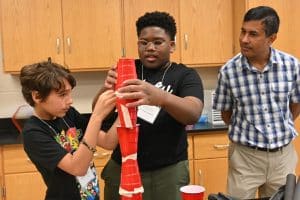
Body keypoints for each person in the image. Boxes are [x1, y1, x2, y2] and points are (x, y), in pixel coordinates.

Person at [94, 11, 204, 200]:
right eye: (143, 43)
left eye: (158, 42)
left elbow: (192, 113)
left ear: (171, 46)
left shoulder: (184, 75)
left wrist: (161, 97)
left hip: (169, 170)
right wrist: (106, 88)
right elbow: (99, 112)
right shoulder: (127, 70)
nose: (150, 48)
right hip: (123, 166)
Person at [213, 6, 300, 199]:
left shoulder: (292, 66)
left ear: (271, 38)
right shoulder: (229, 71)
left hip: (282, 157)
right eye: (243, 32)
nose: (244, 39)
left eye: (253, 34)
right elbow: (226, 114)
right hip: (245, 158)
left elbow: (295, 104)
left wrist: (278, 128)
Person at [19, 59, 118, 200]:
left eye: (69, 93)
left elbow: (108, 142)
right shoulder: (33, 133)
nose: (70, 100)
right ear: (37, 96)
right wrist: (96, 117)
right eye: (62, 95)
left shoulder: (68, 114)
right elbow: (78, 168)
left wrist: (126, 109)